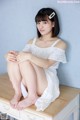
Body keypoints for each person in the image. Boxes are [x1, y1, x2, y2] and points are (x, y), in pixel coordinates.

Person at [5, 7, 67, 111]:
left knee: (26, 58)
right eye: (38, 23)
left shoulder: (60, 44)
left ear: (53, 24)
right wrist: (8, 55)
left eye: (44, 22)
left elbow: (47, 64)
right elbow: (19, 57)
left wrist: (29, 56)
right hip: (29, 81)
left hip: (45, 83)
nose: (40, 26)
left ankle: (32, 96)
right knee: (14, 59)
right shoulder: (32, 41)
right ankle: (18, 93)